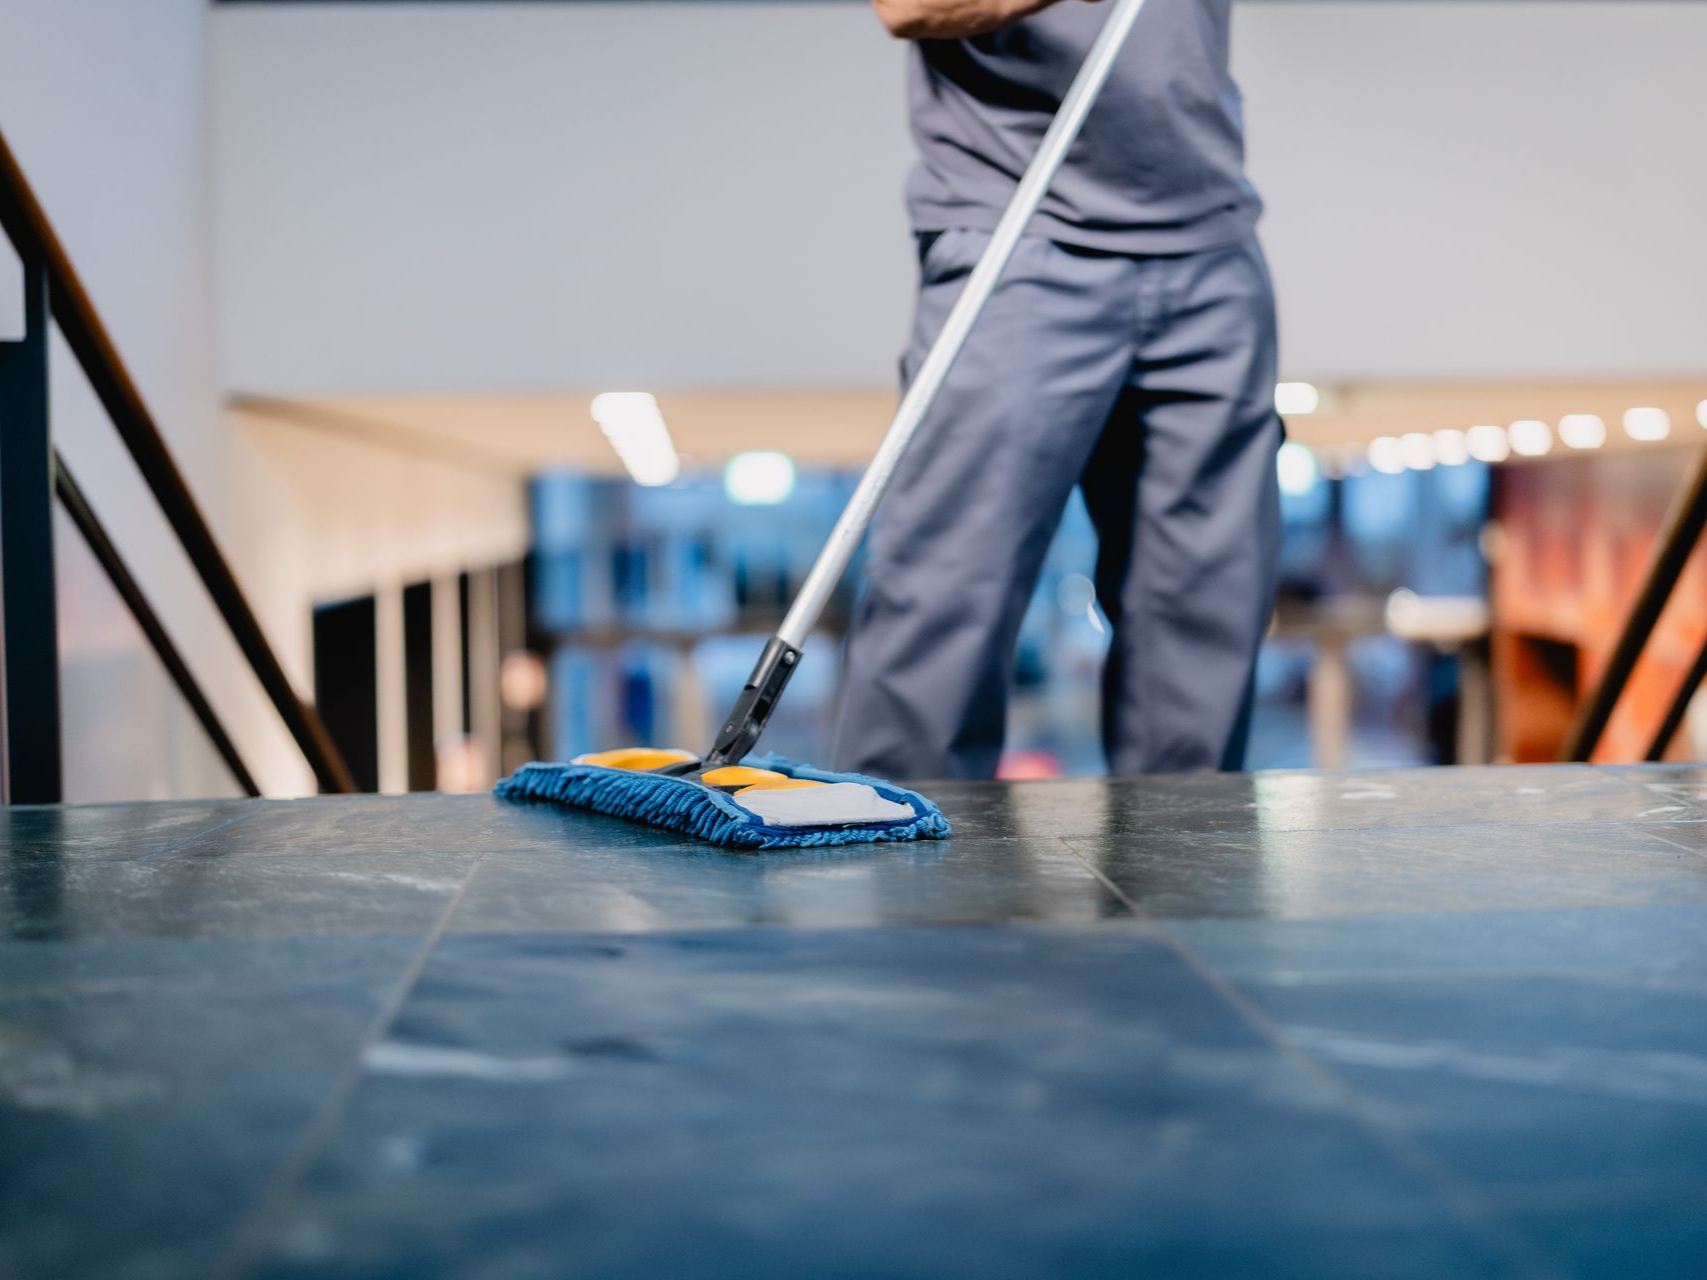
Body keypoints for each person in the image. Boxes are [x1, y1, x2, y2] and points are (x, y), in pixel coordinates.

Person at [832, 0, 1282, 780]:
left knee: (1202, 624)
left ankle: (1184, 867)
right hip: (1019, 226)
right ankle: (896, 859)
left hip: (1210, 233)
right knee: (945, 607)